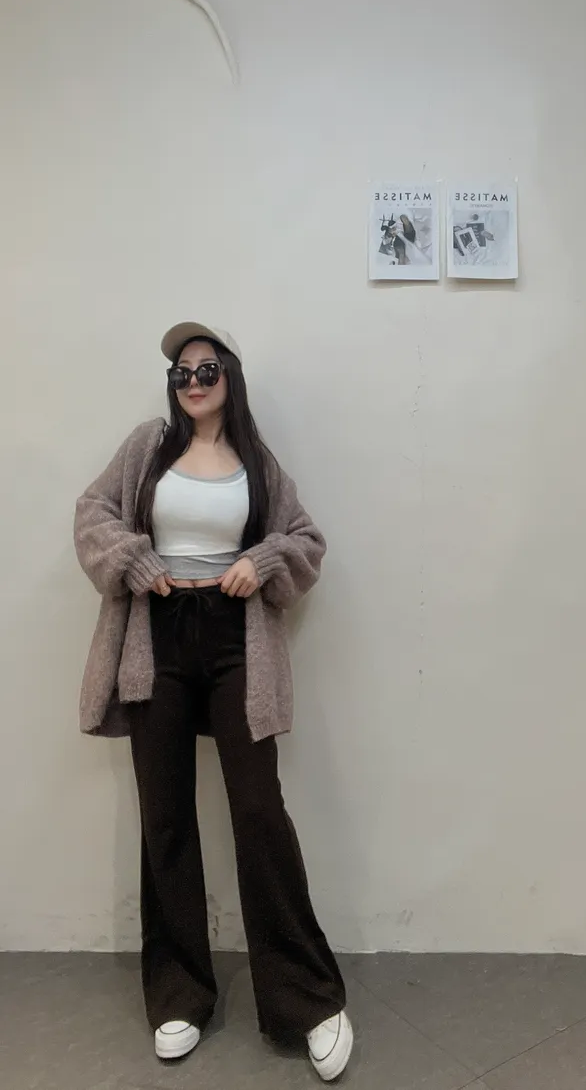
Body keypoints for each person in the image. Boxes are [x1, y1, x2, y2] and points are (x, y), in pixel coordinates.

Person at [74, 322, 352, 1082]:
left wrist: (261, 559)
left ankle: (306, 998)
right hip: (158, 637)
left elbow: (305, 539)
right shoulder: (148, 447)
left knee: (258, 809)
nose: (192, 382)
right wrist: (135, 561)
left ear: (230, 375)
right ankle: (179, 993)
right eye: (181, 372)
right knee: (164, 812)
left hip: (236, 641)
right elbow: (93, 512)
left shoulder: (256, 460)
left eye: (206, 369)